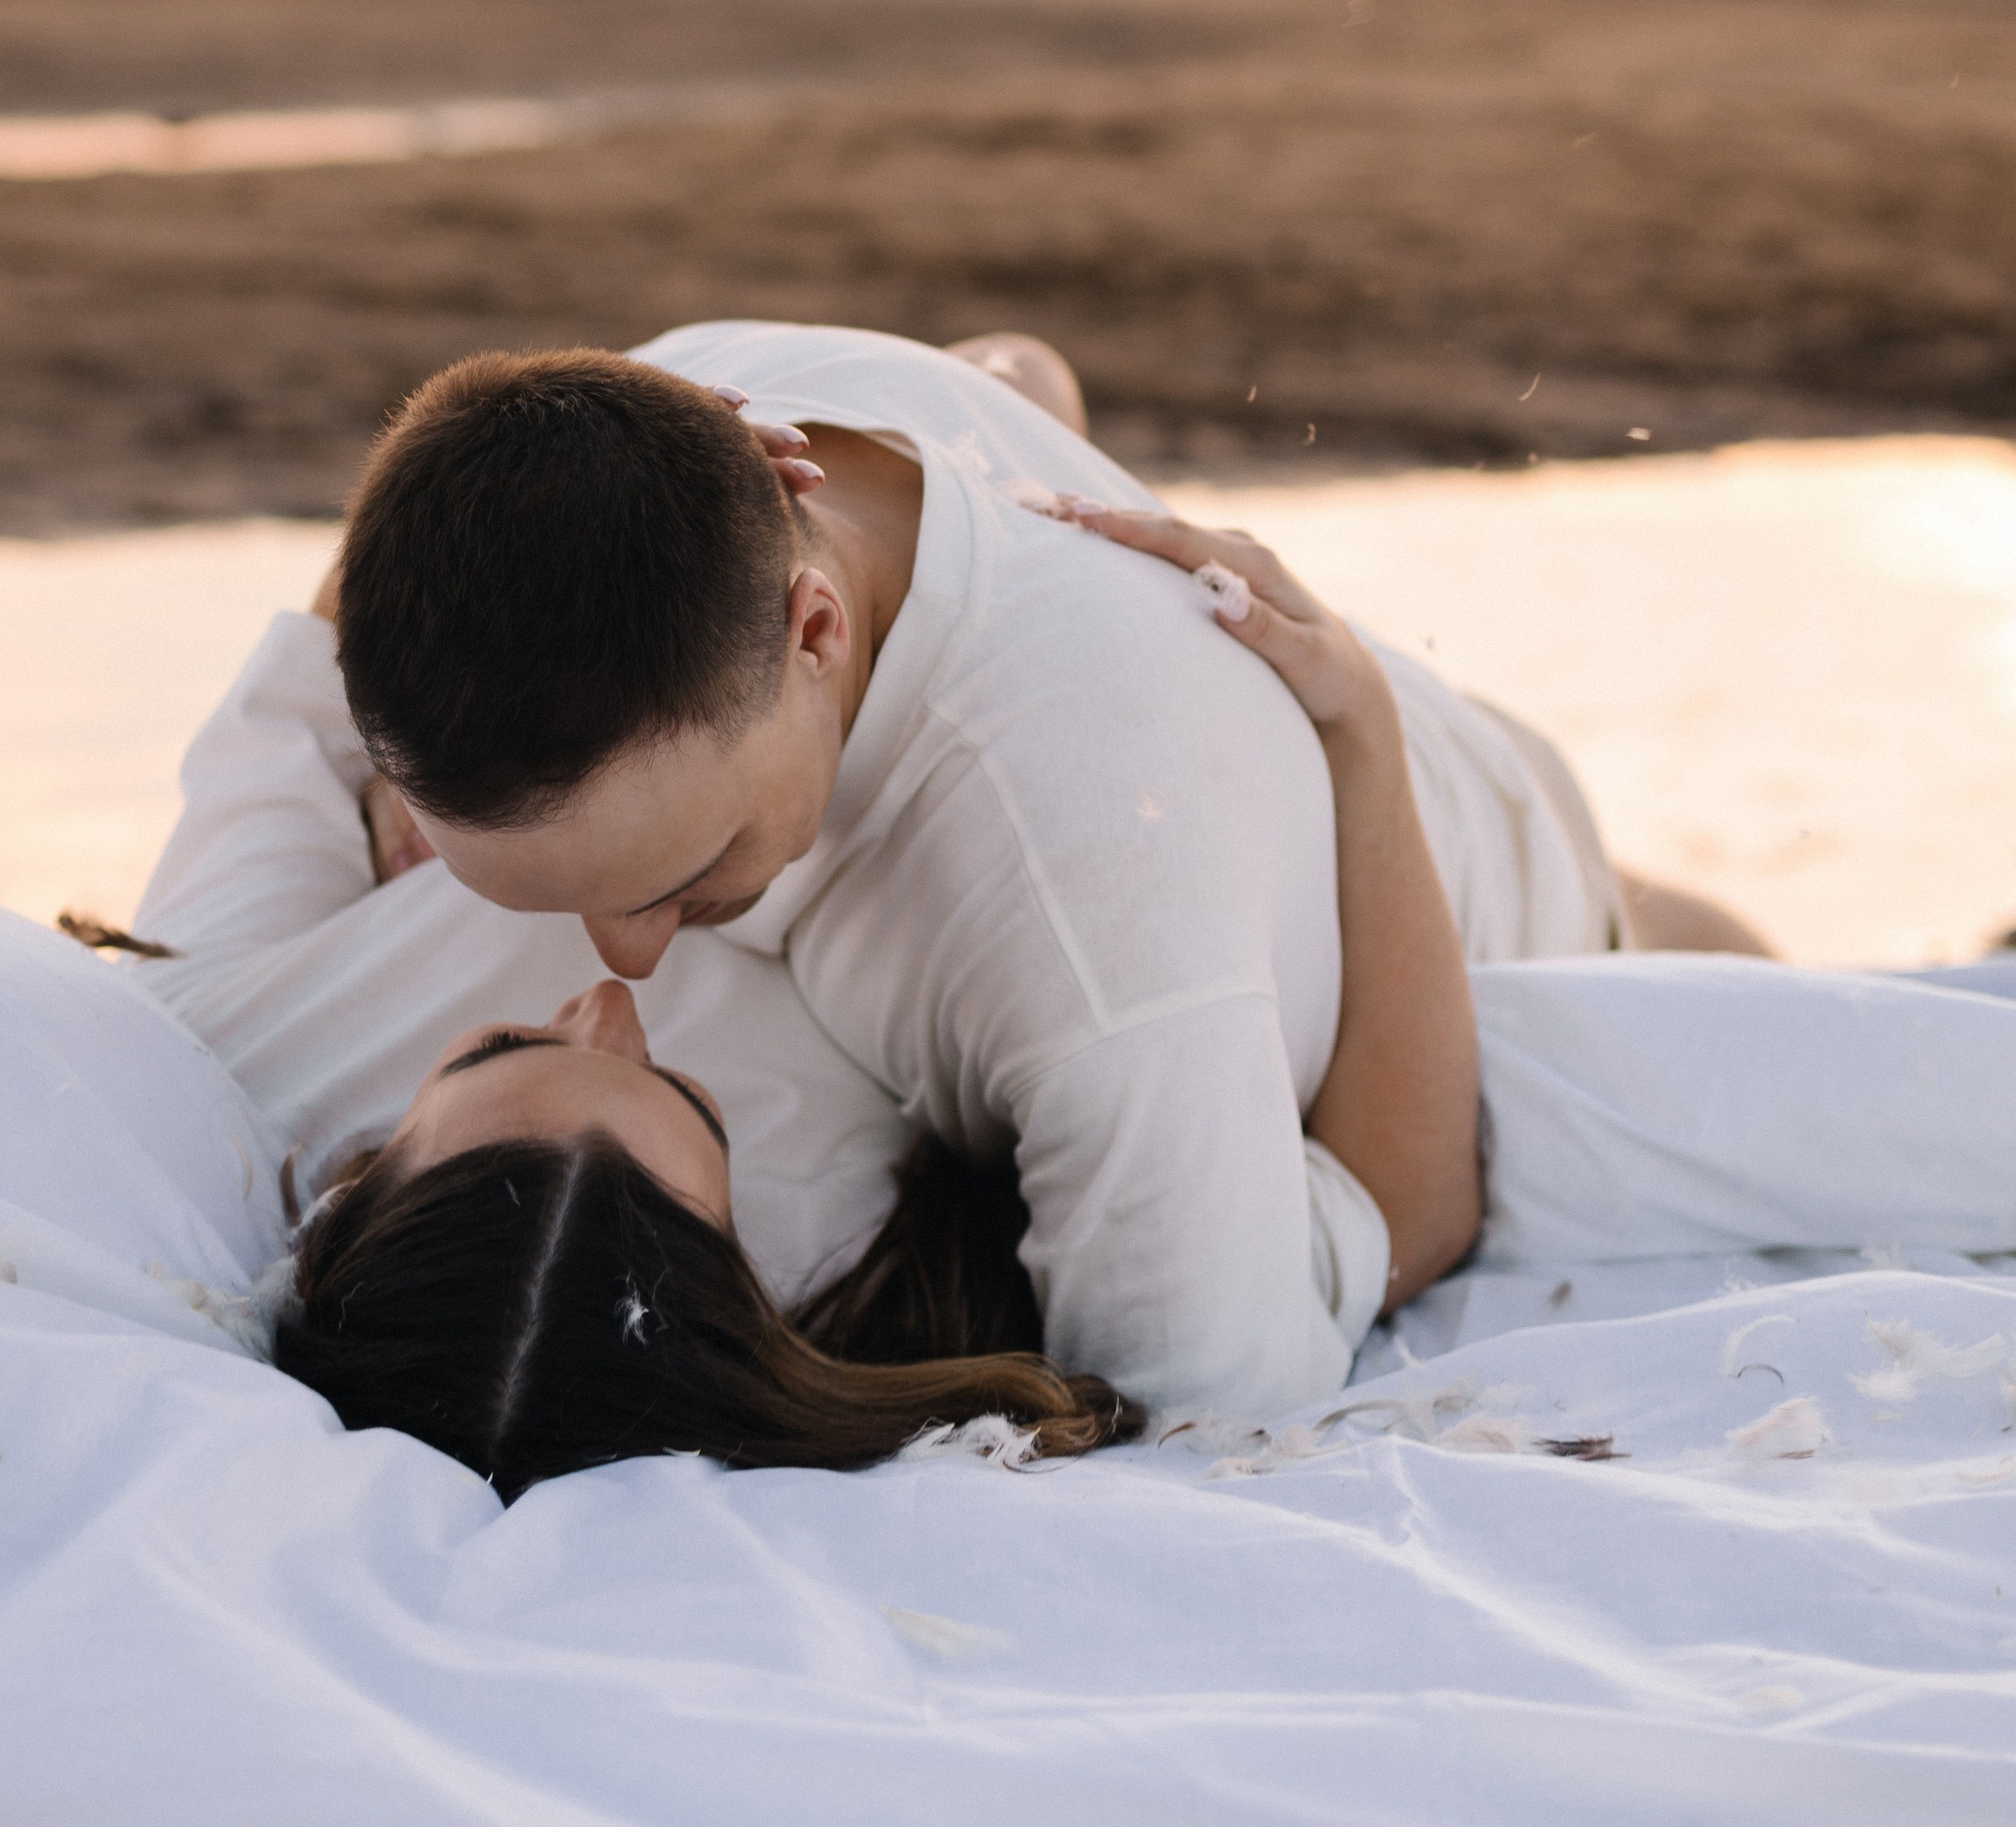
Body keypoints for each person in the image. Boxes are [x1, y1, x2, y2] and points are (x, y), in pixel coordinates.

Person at [310, 318, 1759, 1420]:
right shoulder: (693, 414)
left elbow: (1391, 1239)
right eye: (533, 889)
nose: (623, 963)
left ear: (816, 632)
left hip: (1481, 858)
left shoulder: (1084, 929)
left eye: (679, 872)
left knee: (1689, 948)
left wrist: (1361, 742)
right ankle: (1014, 400)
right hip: (1190, 732)